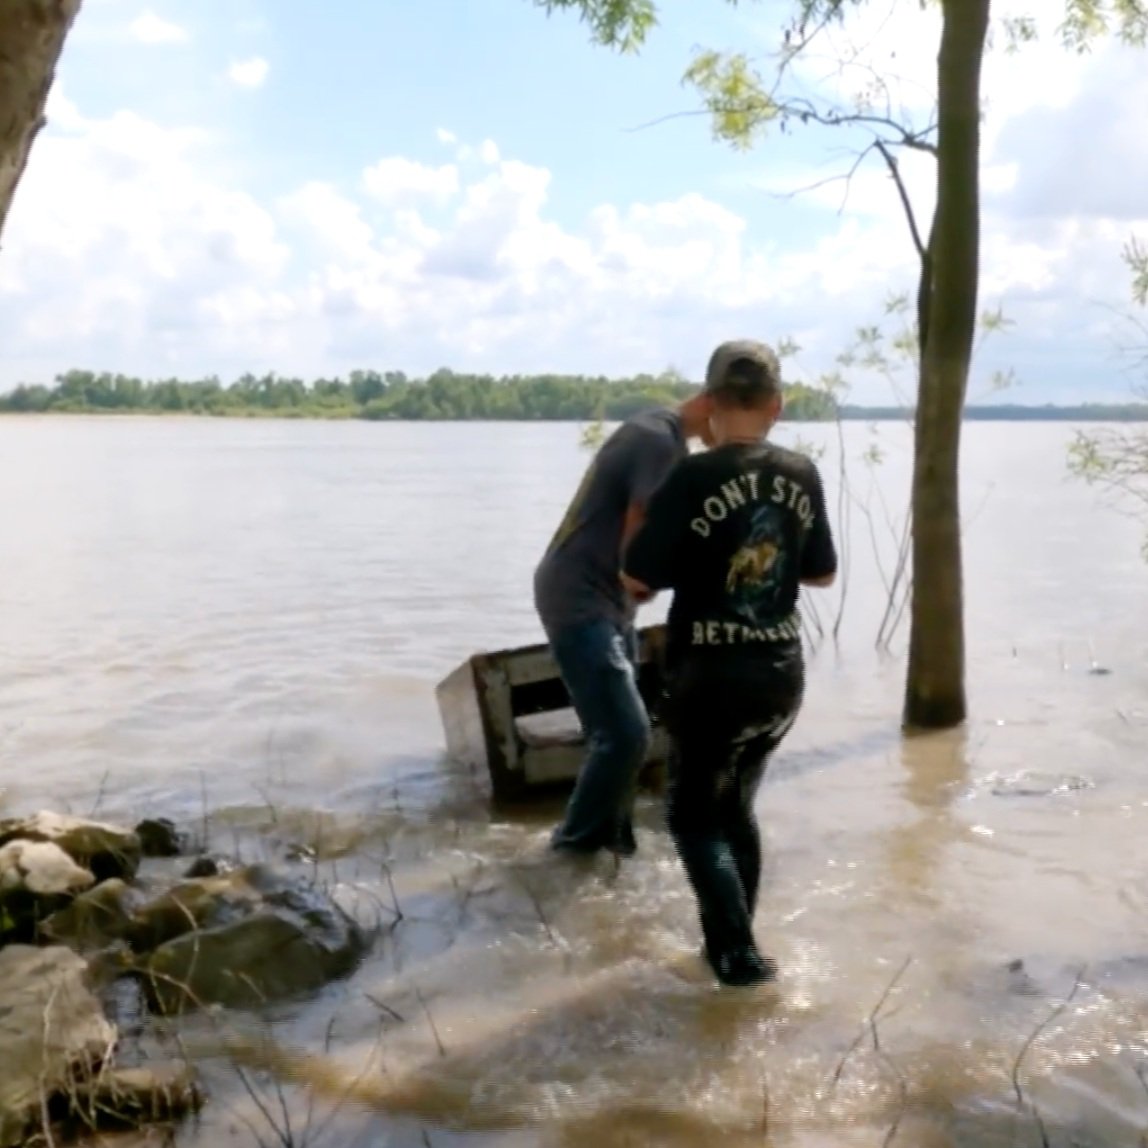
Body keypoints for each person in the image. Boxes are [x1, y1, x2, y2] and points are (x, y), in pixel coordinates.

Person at [621, 339, 838, 987]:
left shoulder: (692, 475)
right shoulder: (801, 472)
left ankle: (739, 957)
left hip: (710, 677)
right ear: (776, 405)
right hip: (779, 677)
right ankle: (727, 947)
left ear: (711, 404)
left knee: (690, 819)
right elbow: (822, 573)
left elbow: (639, 575)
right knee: (737, 809)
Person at [533, 390, 717, 857]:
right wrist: (646, 578)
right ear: (712, 400)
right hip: (579, 597)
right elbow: (641, 520)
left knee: (618, 737)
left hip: (605, 602)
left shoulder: (662, 435)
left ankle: (614, 850)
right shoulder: (659, 440)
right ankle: (569, 853)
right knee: (625, 734)